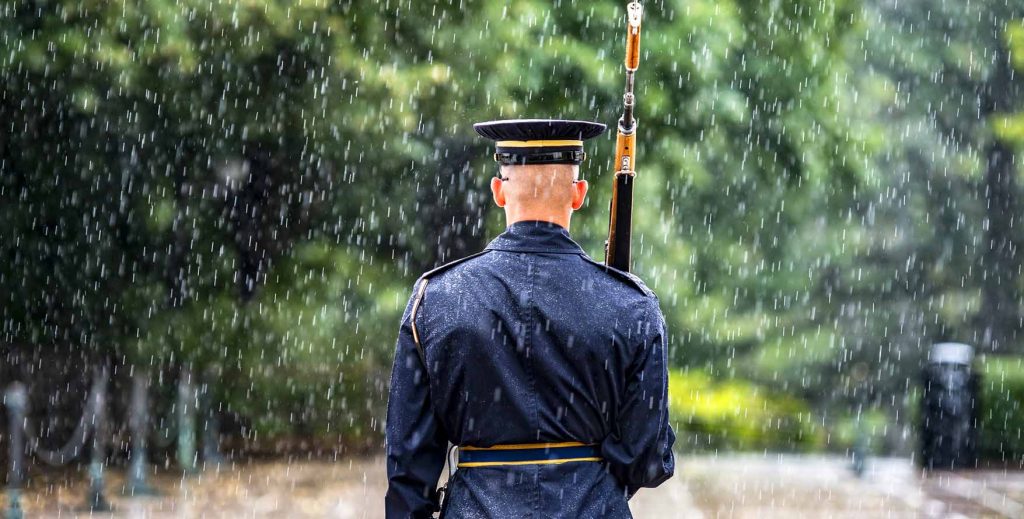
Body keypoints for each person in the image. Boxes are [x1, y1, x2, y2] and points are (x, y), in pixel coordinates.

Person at [385, 119, 675, 518]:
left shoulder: (435, 300)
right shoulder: (632, 306)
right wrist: (588, 469)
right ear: (578, 194)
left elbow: (408, 465)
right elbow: (648, 458)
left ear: (499, 192)